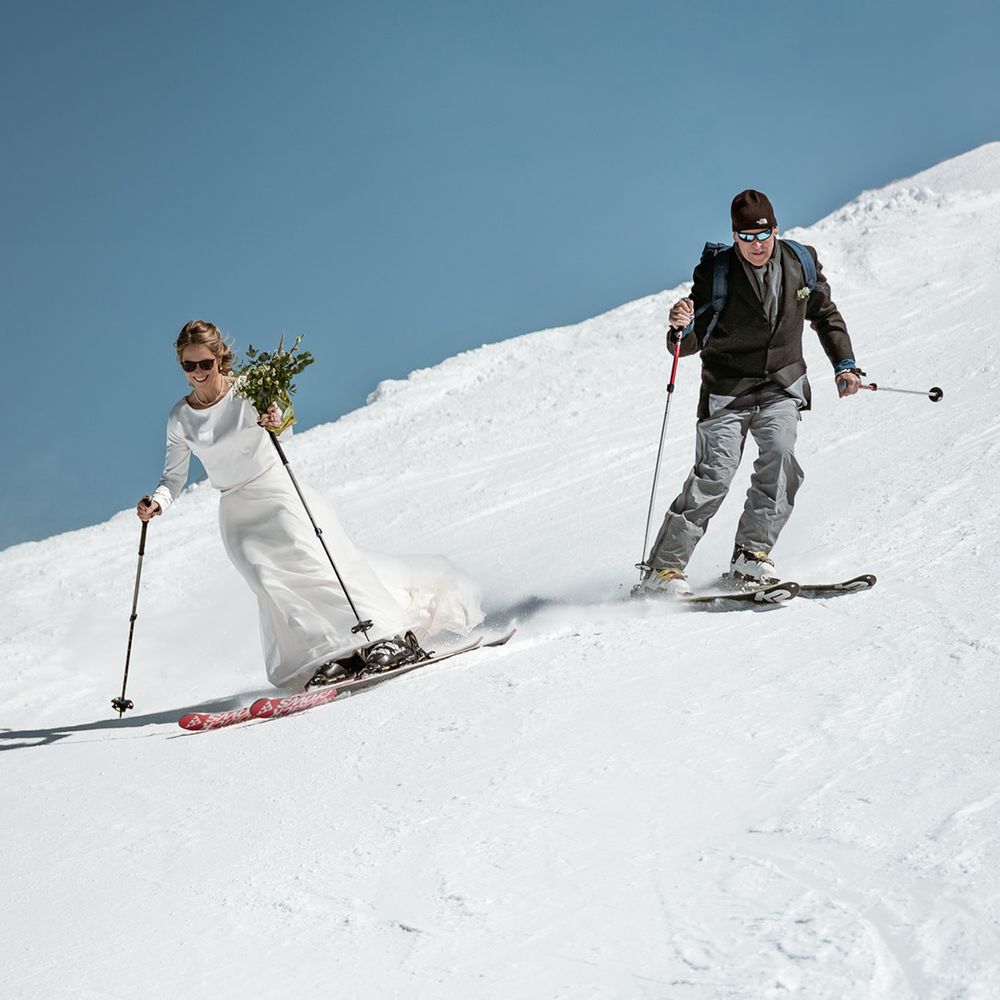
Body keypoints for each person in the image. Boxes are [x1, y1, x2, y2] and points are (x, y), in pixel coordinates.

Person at [138, 320, 483, 687]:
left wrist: (275, 418)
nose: (197, 374)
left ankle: (391, 636)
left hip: (276, 490)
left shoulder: (250, 389)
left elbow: (284, 425)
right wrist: (156, 503)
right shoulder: (180, 418)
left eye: (204, 364)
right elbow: (173, 477)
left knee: (318, 566)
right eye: (188, 366)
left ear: (219, 358)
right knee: (273, 584)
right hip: (236, 510)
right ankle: (337, 652)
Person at [638, 190, 863, 596]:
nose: (756, 245)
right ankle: (663, 570)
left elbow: (825, 314)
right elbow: (692, 340)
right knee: (714, 477)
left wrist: (844, 365)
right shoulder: (717, 273)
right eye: (746, 238)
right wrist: (679, 328)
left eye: (762, 236)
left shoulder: (800, 262)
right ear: (734, 236)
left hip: (781, 384)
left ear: (775, 230)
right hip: (728, 391)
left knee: (780, 458)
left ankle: (750, 558)